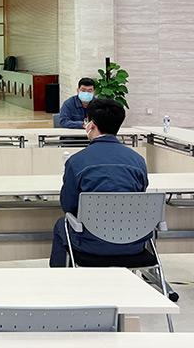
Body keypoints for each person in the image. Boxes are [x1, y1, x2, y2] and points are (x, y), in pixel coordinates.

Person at [50, 98, 149, 267]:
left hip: (90, 244)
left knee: (62, 224)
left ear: (91, 125)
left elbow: (68, 206)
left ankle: (60, 279)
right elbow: (140, 196)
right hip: (133, 242)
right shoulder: (138, 161)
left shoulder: (77, 161)